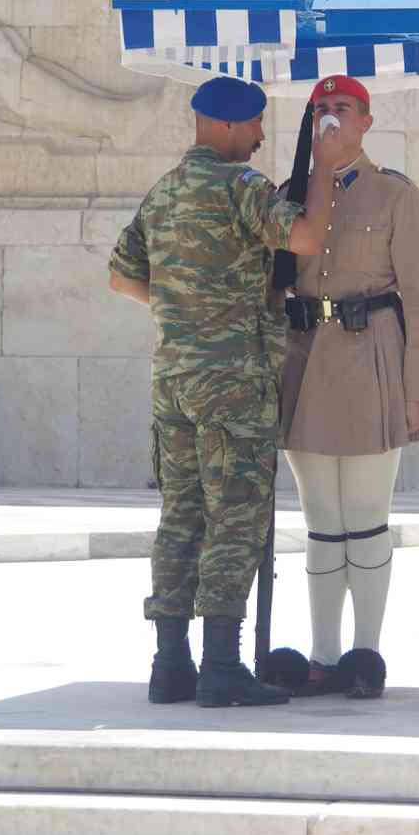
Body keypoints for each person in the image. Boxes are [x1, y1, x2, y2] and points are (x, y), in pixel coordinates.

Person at [108, 75, 345, 708]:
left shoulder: (164, 193)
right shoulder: (241, 188)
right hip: (233, 383)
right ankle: (220, 667)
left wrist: (186, 314)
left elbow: (121, 276)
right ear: (229, 126)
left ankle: (170, 665)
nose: (263, 136)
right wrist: (321, 172)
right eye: (258, 125)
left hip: (174, 381)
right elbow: (304, 238)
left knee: (180, 518)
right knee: (235, 516)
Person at [273, 74, 419, 699]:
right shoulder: (290, 194)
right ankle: (321, 654)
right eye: (321, 109)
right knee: (321, 520)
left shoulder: (396, 196)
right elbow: (269, 290)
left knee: (367, 518)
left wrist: (416, 390)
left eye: (342, 109)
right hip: (307, 359)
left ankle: (365, 653)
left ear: (366, 121)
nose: (330, 119)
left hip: (372, 356)